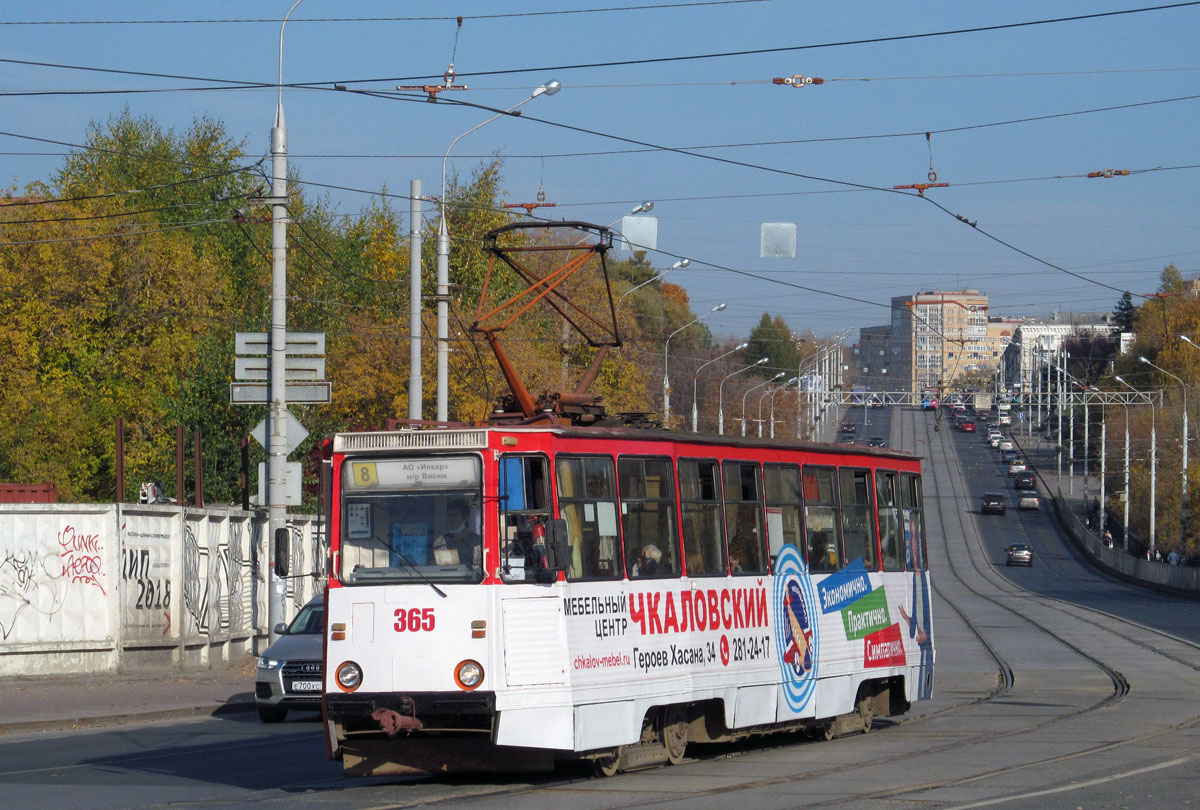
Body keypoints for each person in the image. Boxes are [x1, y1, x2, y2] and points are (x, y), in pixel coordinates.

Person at [433, 499, 480, 567]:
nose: (451, 519)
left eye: (455, 515)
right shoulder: (440, 543)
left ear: (465, 517)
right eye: (449, 515)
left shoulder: (478, 542)